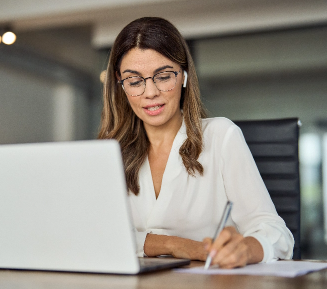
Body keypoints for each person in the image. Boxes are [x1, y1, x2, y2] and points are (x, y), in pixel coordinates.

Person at [98, 17, 294, 268]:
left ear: (183, 75)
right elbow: (98, 236)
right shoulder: (109, 152)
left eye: (163, 76)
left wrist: (247, 248)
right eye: (135, 81)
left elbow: (276, 232)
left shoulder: (221, 136)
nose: (150, 93)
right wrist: (177, 245)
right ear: (120, 84)